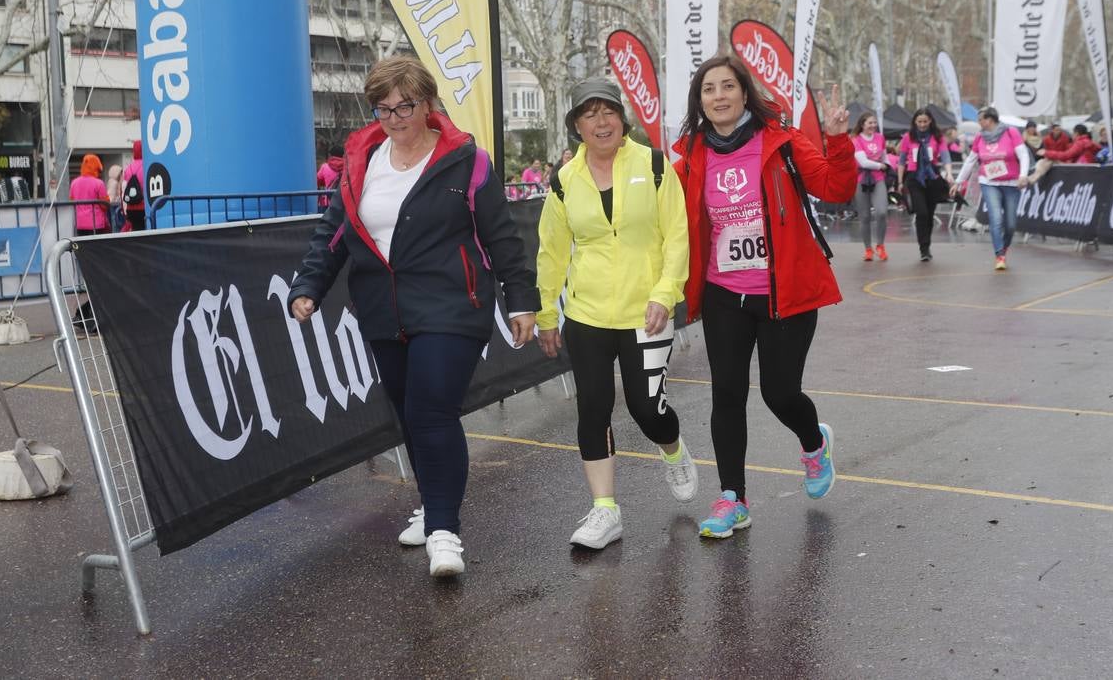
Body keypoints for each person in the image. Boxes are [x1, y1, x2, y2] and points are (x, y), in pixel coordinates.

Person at [287, 56, 539, 578]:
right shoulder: (363, 161)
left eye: (406, 105)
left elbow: (501, 236)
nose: (396, 117)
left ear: (428, 104)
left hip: (453, 304)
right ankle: (433, 506)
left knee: (431, 411)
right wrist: (309, 286)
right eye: (384, 108)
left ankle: (445, 532)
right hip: (383, 310)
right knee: (408, 412)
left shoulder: (467, 160)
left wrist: (520, 299)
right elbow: (335, 233)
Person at [672, 54, 856, 539]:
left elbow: (836, 187)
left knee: (779, 393)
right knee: (726, 395)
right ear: (700, 101)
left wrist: (837, 139)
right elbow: (662, 212)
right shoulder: (690, 155)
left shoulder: (783, 142)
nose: (718, 96)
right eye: (708, 89)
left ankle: (815, 444)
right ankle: (733, 498)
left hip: (784, 293)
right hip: (721, 293)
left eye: (727, 86)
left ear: (744, 92)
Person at [536, 78, 696, 551]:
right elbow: (551, 252)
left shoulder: (653, 164)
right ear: (577, 126)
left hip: (645, 312)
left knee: (648, 410)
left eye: (608, 111)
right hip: (586, 314)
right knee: (593, 408)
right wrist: (547, 313)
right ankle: (605, 510)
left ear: (621, 119)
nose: (601, 121)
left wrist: (665, 295)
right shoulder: (564, 181)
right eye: (590, 114)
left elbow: (677, 236)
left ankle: (673, 449)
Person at [954, 106, 1031, 271]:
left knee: (1010, 224)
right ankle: (999, 255)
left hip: (1011, 183)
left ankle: (1005, 246)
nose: (978, 123)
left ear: (989, 119)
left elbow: (1023, 154)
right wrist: (958, 181)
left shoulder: (1011, 132)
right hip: (989, 183)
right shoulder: (979, 137)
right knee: (995, 218)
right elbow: (970, 160)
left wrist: (1023, 175)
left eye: (980, 119)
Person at [896, 107, 952, 262]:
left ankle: (927, 246)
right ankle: (923, 248)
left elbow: (946, 156)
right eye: (919, 121)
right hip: (914, 178)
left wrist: (949, 173)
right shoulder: (908, 137)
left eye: (925, 121)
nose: (922, 124)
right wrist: (900, 182)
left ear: (930, 121)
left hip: (932, 177)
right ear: (915, 122)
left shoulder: (937, 137)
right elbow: (901, 161)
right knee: (921, 213)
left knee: (929, 214)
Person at [851, 111, 889, 262]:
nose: (873, 125)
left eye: (874, 123)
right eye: (869, 123)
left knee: (881, 212)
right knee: (865, 216)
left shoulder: (880, 138)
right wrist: (880, 165)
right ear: (862, 125)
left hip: (878, 180)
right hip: (861, 180)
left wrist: (887, 165)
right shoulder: (856, 140)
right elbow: (863, 161)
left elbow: (885, 156)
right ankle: (868, 249)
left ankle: (880, 245)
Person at [69, 154, 110, 236]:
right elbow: (105, 205)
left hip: (79, 223)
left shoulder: (74, 183)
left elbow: (71, 201)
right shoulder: (99, 183)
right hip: (96, 224)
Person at [122, 140, 147, 231]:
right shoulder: (148, 165)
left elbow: (124, 189)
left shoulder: (128, 168)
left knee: (136, 232)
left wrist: (125, 210)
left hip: (131, 208)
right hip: (145, 207)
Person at [316, 143, 345, 208]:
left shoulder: (324, 167)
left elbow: (317, 181)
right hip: (343, 201)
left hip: (328, 201)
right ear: (342, 155)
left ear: (331, 155)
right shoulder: (347, 167)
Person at [105, 162, 125, 233]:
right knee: (116, 222)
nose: (121, 175)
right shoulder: (114, 183)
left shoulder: (111, 181)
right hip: (114, 206)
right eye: (120, 173)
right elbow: (111, 196)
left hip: (113, 206)